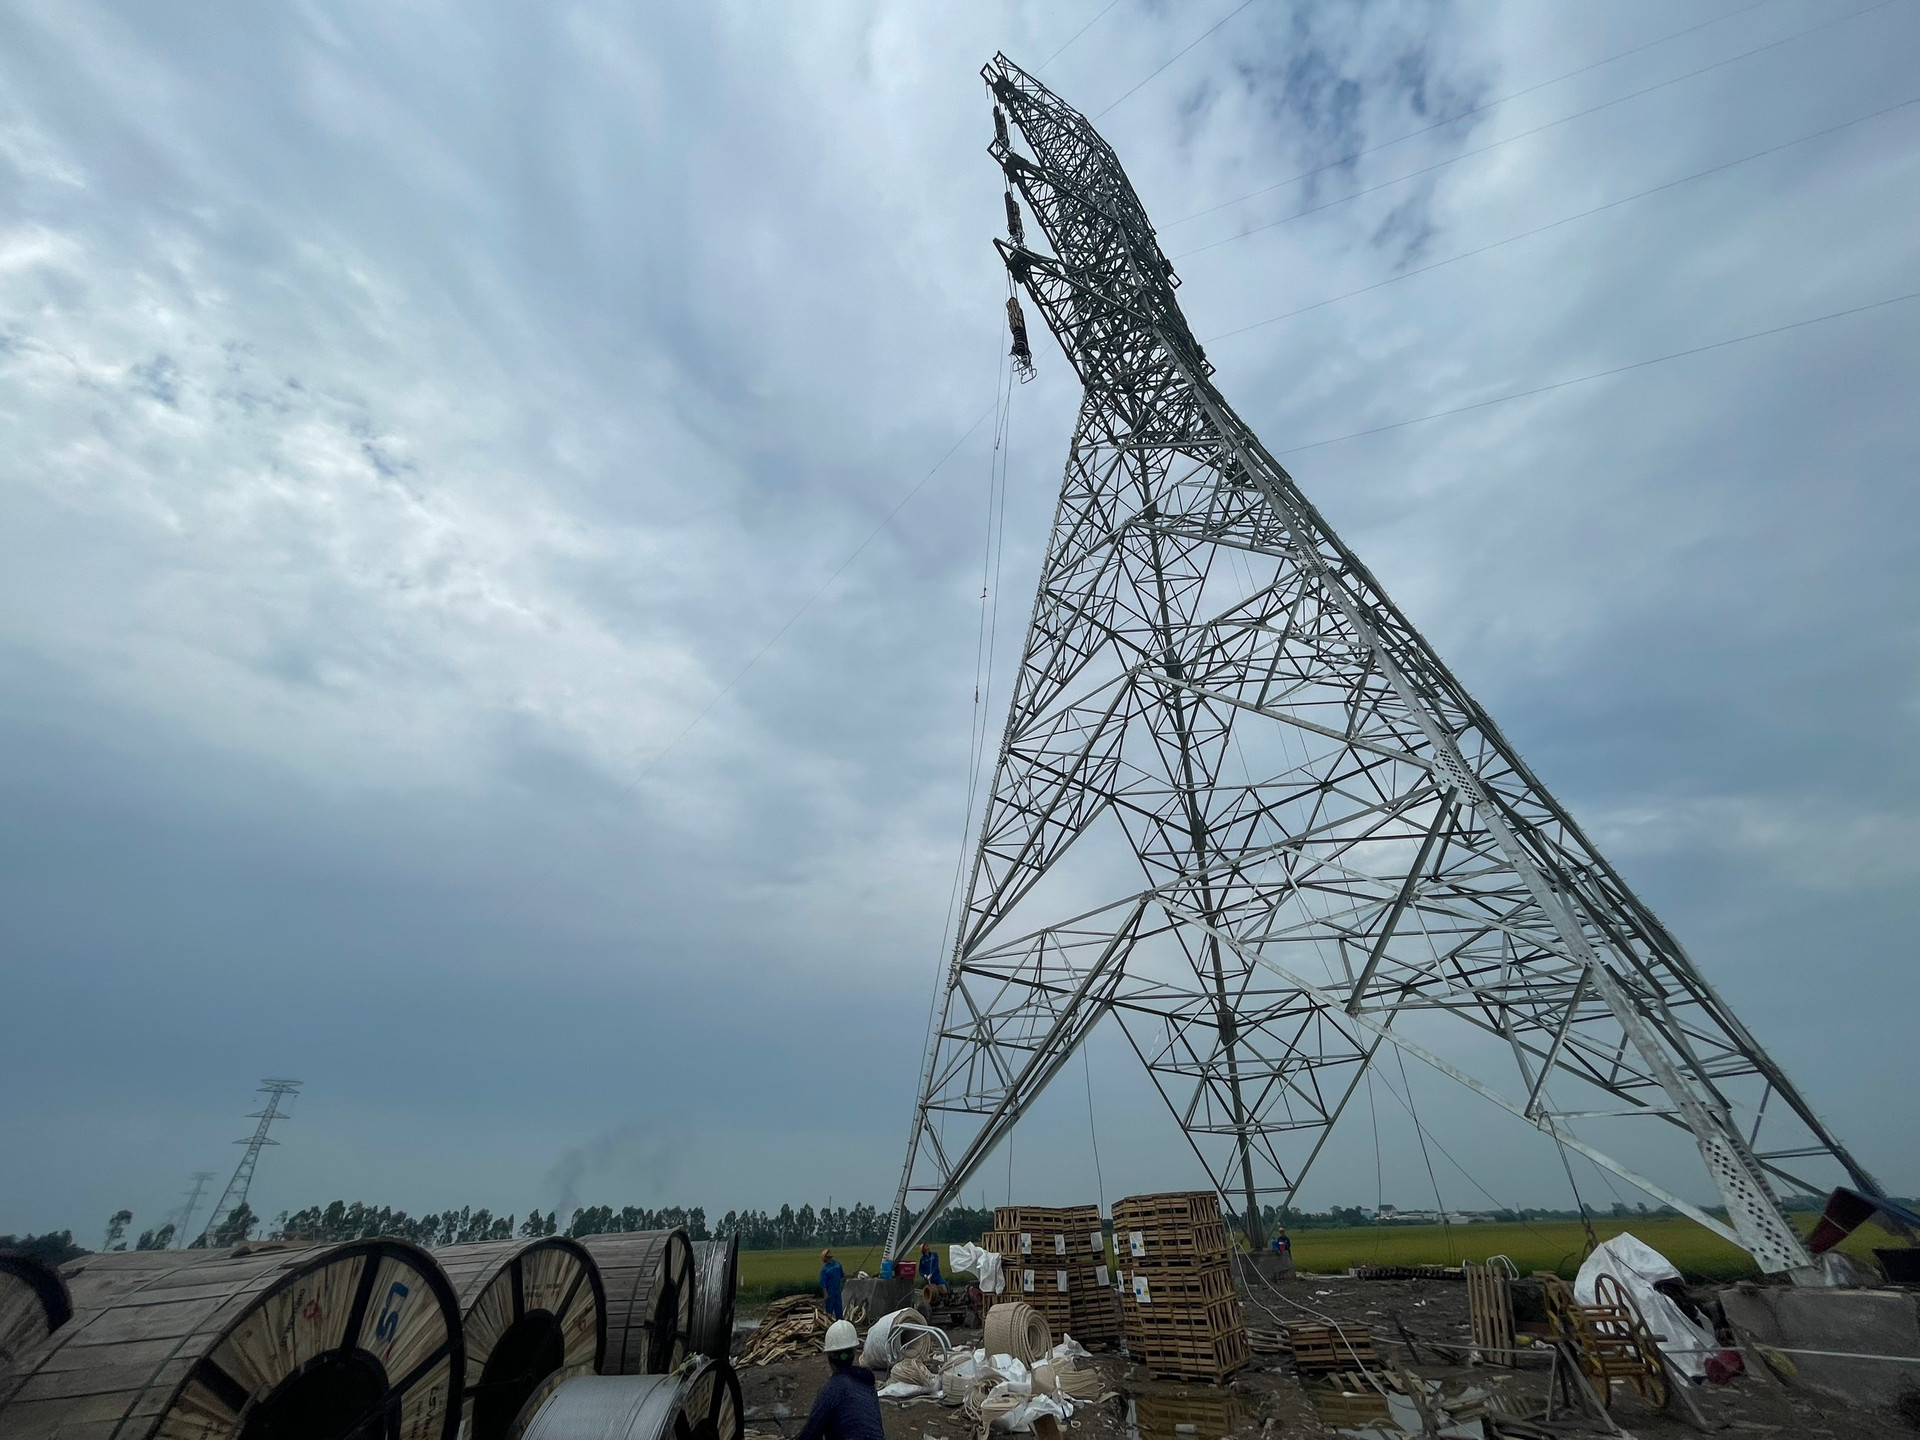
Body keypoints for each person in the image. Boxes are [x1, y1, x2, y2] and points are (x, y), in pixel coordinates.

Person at [795, 1319, 884, 1440]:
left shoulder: (832, 1390)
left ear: (829, 1357)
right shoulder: (867, 1384)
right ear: (854, 1353)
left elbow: (810, 1434)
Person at [917, 1242, 948, 1308]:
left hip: (936, 1276)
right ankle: (932, 1303)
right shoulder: (922, 1259)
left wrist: (931, 1273)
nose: (927, 1246)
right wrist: (924, 1275)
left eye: (927, 1245)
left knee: (944, 1287)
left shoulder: (934, 1255)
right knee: (931, 1291)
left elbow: (936, 1266)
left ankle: (945, 1301)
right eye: (925, 1246)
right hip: (928, 1279)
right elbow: (920, 1270)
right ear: (923, 1249)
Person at [819, 1248, 845, 1321]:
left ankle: (838, 1322)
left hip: (835, 1291)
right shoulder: (827, 1268)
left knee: (836, 1309)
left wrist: (825, 1294)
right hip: (832, 1292)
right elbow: (823, 1284)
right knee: (831, 1310)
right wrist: (826, 1294)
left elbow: (842, 1275)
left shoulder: (835, 1265)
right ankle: (831, 1323)